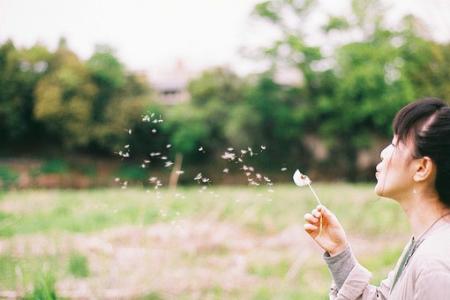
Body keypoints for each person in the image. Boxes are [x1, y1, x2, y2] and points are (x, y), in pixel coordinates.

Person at [303, 98, 450, 299]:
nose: (383, 153)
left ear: (422, 168)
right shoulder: (424, 243)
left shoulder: (435, 263)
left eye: (396, 144)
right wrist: (339, 252)